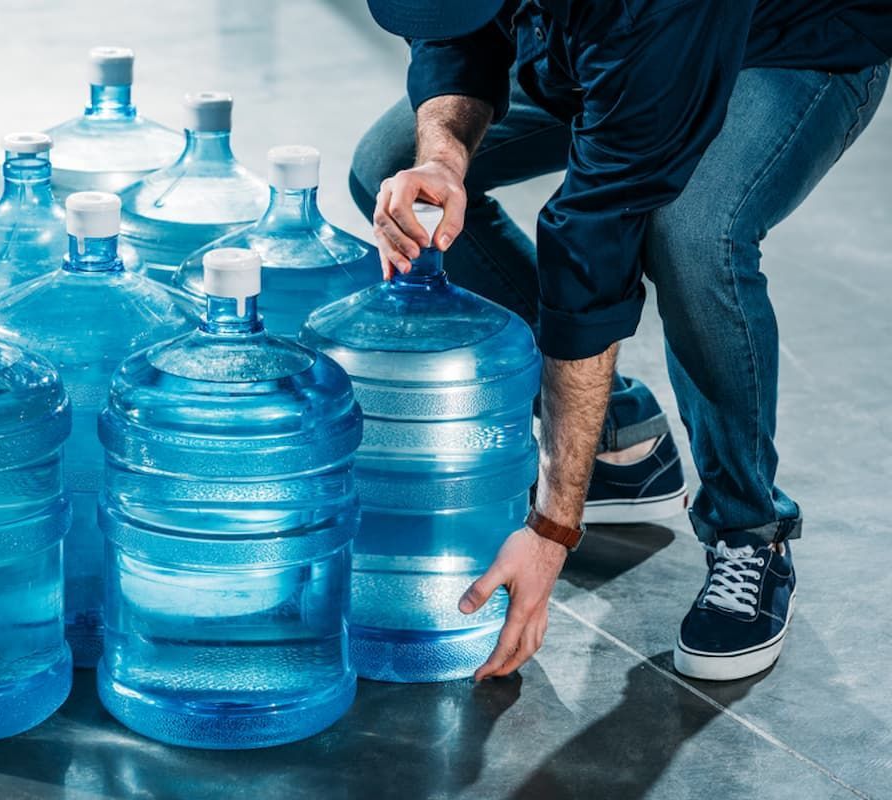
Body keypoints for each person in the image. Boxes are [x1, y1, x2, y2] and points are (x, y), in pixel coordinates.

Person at [354, 0, 891, 681]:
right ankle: (616, 435)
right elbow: (456, 37)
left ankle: (749, 529)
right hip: (597, 39)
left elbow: (592, 241)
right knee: (391, 167)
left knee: (691, 233)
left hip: (791, 41)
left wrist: (552, 530)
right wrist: (441, 162)